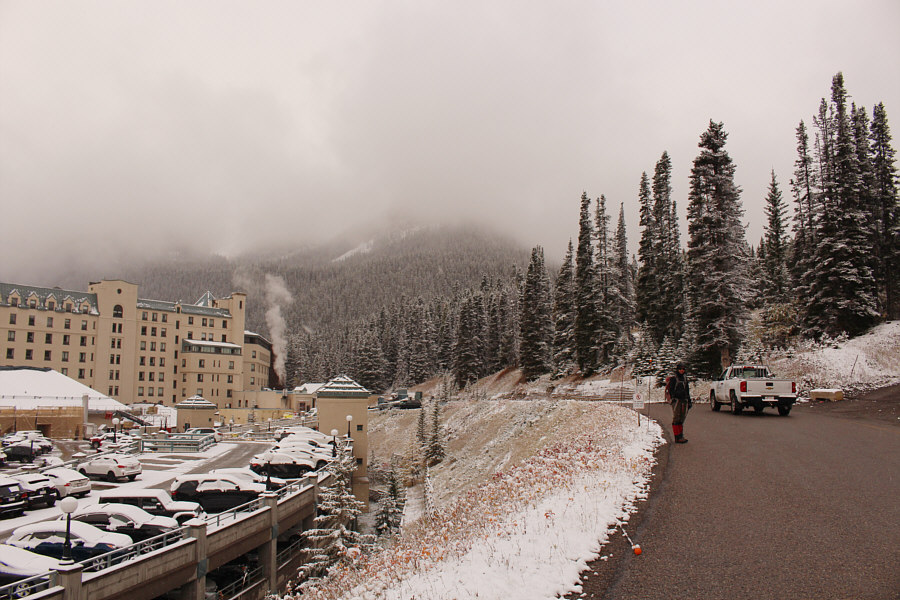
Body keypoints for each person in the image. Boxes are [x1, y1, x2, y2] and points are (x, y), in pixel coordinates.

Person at [665, 362, 692, 443]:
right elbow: (671, 390)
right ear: (677, 369)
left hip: (684, 400)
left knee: (682, 418)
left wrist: (689, 401)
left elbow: (687, 390)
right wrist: (673, 398)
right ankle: (677, 437)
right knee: (676, 418)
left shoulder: (685, 379)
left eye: (683, 369)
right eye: (680, 369)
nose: (682, 370)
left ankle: (680, 435)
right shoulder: (674, 379)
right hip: (676, 401)